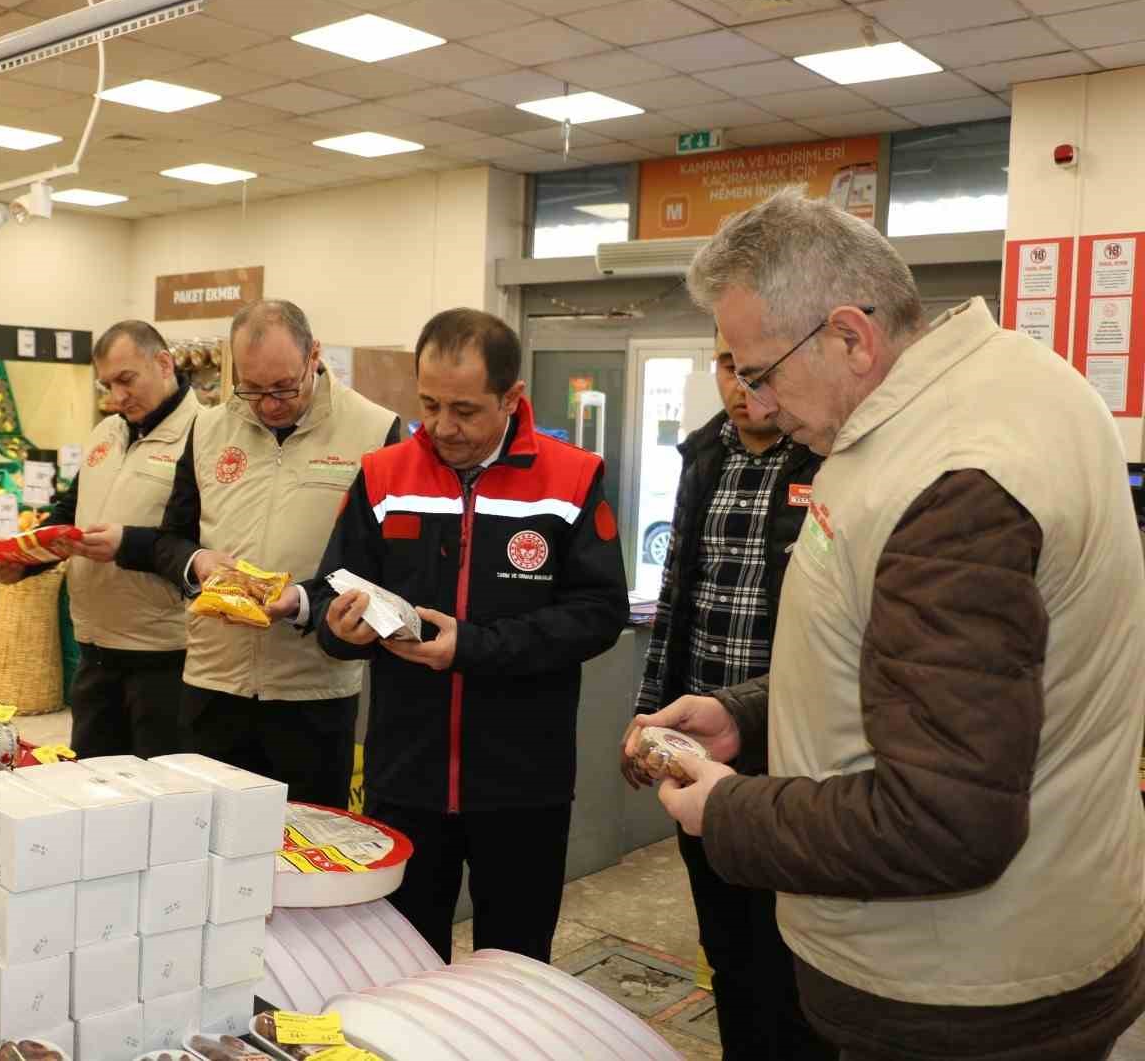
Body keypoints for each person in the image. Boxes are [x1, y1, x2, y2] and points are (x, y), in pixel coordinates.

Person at [634, 189, 1145, 1061]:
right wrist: (750, 714)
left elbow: (943, 822)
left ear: (849, 337)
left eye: (759, 372)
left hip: (962, 992)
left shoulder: (952, 484)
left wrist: (729, 809)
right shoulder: (1008, 383)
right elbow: (929, 672)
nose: (756, 402)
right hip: (1028, 943)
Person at [311, 308, 628, 963]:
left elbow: (599, 612)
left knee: (514, 966)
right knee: (403, 966)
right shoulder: (383, 474)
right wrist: (337, 629)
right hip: (405, 778)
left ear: (511, 398)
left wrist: (472, 648)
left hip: (523, 785)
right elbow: (328, 593)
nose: (442, 427)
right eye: (429, 405)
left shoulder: (572, 478)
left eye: (464, 410)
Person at [100, 299, 399, 807]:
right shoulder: (209, 429)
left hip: (314, 693)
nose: (269, 405)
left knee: (305, 837)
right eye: (252, 388)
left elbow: (381, 567)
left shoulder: (374, 431)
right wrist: (197, 563)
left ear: (314, 356)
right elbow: (171, 539)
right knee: (206, 834)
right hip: (213, 683)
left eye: (283, 387)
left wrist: (301, 602)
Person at [623, 333, 830, 1061]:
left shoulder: (826, 457)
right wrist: (648, 714)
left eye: (756, 369)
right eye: (726, 366)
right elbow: (676, 594)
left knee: (793, 953)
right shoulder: (703, 455)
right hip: (697, 739)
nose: (742, 385)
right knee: (727, 944)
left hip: (791, 746)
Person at [0, 320, 202, 757]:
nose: (117, 397)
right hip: (94, 652)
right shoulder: (106, 432)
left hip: (165, 658)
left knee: (157, 787)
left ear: (164, 364)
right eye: (108, 385)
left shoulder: (203, 436)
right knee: (91, 781)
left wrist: (126, 545)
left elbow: (197, 543)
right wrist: (27, 558)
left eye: (127, 380)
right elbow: (72, 511)